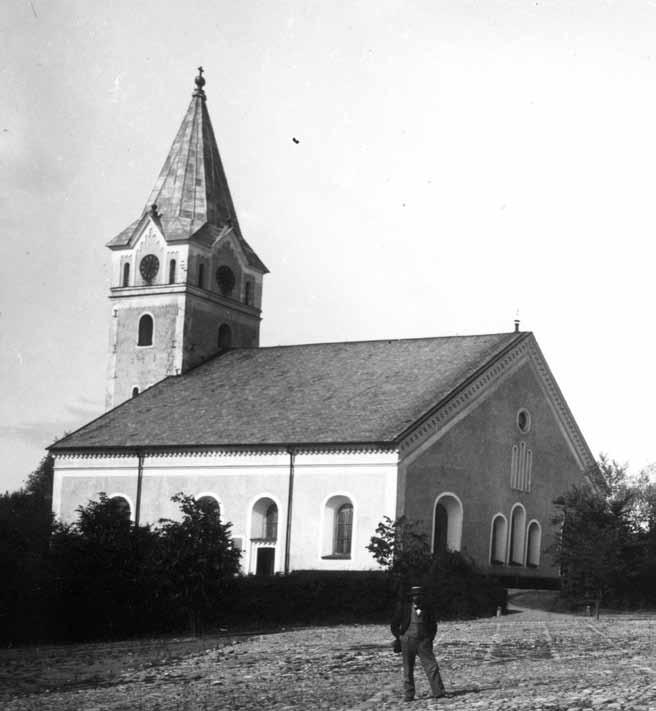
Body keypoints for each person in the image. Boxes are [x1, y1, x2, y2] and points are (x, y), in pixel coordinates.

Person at [391, 585, 446, 702]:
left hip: (424, 642)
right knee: (408, 669)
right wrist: (400, 637)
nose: (417, 597)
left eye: (419, 595)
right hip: (407, 641)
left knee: (432, 666)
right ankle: (409, 694)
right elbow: (394, 625)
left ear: (423, 596)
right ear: (411, 597)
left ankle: (439, 692)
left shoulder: (428, 608)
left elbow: (433, 625)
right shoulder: (404, 608)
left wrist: (429, 639)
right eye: (414, 595)